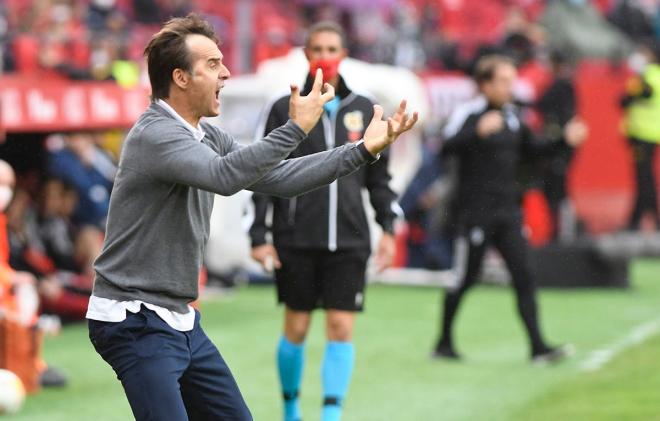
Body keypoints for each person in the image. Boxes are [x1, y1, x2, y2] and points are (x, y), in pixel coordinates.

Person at [86, 14, 417, 421]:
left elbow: (279, 178)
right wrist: (296, 128)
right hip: (133, 318)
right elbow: (225, 178)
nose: (225, 73)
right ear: (181, 78)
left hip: (179, 319)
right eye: (212, 64)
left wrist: (362, 151)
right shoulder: (155, 133)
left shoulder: (204, 133)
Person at [249, 21, 398, 421]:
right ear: (306, 54)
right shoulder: (285, 107)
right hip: (296, 238)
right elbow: (262, 174)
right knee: (296, 328)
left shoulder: (366, 108)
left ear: (344, 54)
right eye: (318, 48)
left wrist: (388, 229)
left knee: (341, 327)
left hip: (350, 240)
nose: (325, 56)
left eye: (333, 48)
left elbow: (380, 180)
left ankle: (331, 415)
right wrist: (259, 235)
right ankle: (291, 409)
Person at [432, 55, 586, 363]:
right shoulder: (470, 114)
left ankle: (538, 347)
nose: (509, 87)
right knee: (466, 278)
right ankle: (443, 343)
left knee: (524, 276)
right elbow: (444, 148)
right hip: (475, 213)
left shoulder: (515, 117)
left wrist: (564, 141)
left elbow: (535, 149)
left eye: (511, 81)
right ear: (485, 84)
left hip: (508, 212)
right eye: (502, 81)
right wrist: (476, 132)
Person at [621, 41, 660, 231]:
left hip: (643, 134)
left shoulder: (647, 77)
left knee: (644, 178)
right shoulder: (653, 76)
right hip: (651, 134)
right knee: (643, 176)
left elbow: (625, 100)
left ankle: (650, 216)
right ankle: (635, 219)